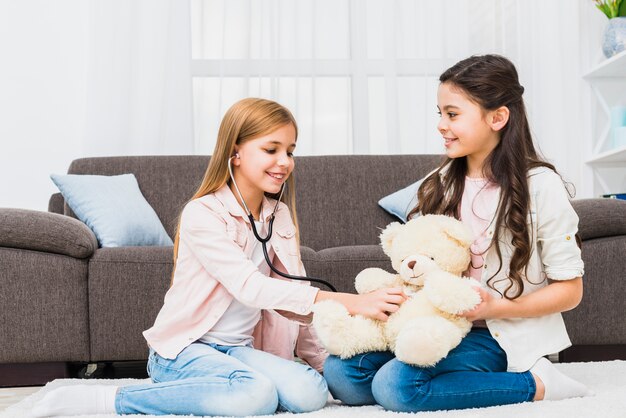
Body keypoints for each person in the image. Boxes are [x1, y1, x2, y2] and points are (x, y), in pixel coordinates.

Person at [32, 98, 407, 417]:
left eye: (290, 151)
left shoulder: (278, 216)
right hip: (184, 350)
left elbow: (294, 291)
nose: (285, 162)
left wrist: (321, 364)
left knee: (308, 395)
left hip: (238, 351)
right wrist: (354, 304)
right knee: (256, 396)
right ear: (235, 152)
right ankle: (110, 400)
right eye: (271, 149)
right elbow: (251, 288)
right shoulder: (203, 214)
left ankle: (237, 387)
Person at [323, 54, 592, 412]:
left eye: (452, 114)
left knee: (396, 386)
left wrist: (498, 306)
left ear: (497, 117)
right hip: (435, 323)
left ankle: (538, 384)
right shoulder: (440, 183)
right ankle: (441, 381)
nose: (441, 125)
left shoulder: (540, 186)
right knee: (342, 374)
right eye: (440, 113)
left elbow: (570, 291)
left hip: (497, 333)